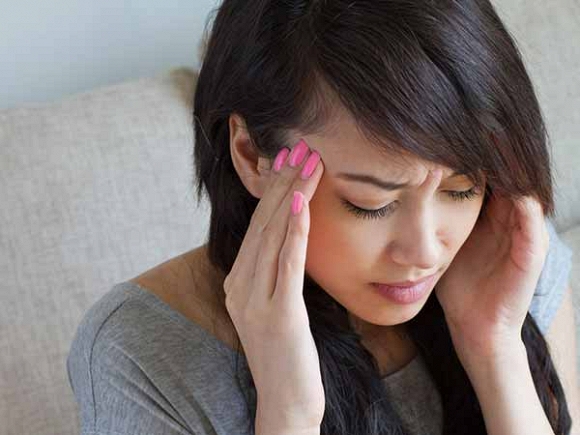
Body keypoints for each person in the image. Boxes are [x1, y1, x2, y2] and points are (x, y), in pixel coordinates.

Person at [66, 1, 579, 434]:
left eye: (461, 190)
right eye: (371, 203)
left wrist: (493, 347)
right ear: (251, 155)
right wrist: (287, 414)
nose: (426, 251)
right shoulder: (140, 352)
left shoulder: (507, 260)